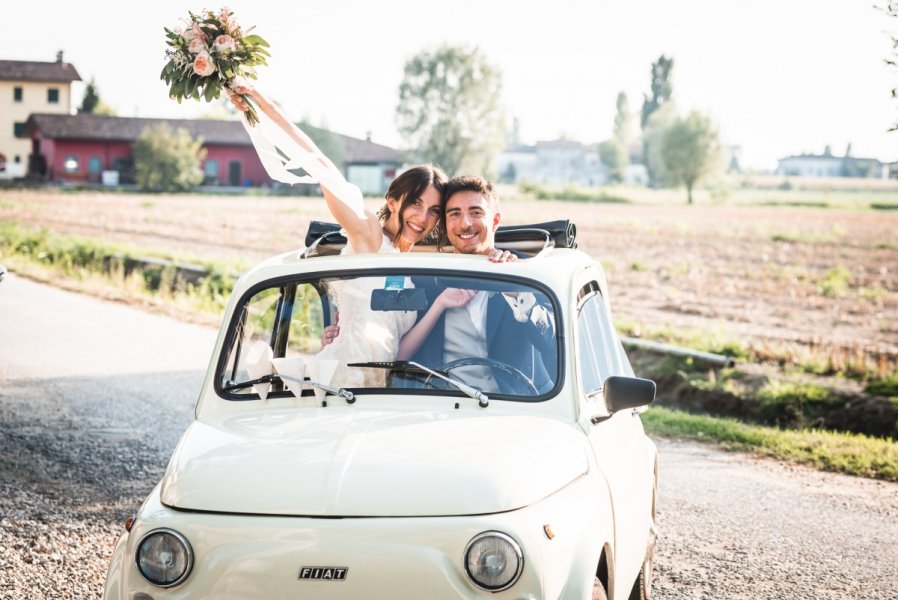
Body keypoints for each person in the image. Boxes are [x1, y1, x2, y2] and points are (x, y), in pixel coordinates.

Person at [229, 85, 447, 387]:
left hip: (378, 389)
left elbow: (391, 341)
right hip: (342, 380)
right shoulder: (369, 235)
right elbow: (320, 164)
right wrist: (263, 105)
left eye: (434, 210)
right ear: (393, 201)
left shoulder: (410, 263)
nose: (423, 218)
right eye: (416, 203)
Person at [395, 175, 556, 393]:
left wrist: (516, 292)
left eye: (476, 212)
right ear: (445, 223)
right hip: (440, 404)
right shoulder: (427, 277)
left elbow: (554, 344)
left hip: (516, 405)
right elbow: (394, 338)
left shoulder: (525, 271)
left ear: (495, 221)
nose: (465, 223)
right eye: (455, 214)